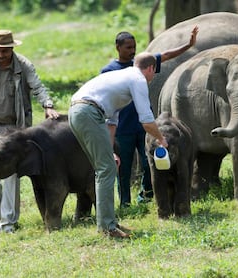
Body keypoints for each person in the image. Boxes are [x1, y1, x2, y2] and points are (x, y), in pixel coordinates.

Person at [68, 52, 168, 239]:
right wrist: (161, 139)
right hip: (88, 112)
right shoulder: (137, 79)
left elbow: (111, 122)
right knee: (106, 170)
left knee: (105, 167)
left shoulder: (121, 77)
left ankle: (107, 221)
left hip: (77, 111)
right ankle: (107, 227)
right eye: (154, 73)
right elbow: (146, 120)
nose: (152, 78)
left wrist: (110, 150)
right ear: (150, 68)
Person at [0, 30, 60, 234]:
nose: (0, 55)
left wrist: (47, 105)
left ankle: (8, 223)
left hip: (13, 130)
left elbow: (38, 86)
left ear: (12, 48)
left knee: (9, 174)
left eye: (4, 51)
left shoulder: (23, 65)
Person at [100, 27, 198, 207]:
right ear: (118, 47)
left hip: (146, 127)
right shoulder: (109, 70)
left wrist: (188, 45)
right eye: (128, 47)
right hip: (122, 127)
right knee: (124, 168)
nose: (132, 51)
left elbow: (166, 55)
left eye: (134, 47)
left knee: (150, 163)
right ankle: (125, 203)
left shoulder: (140, 65)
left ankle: (145, 196)